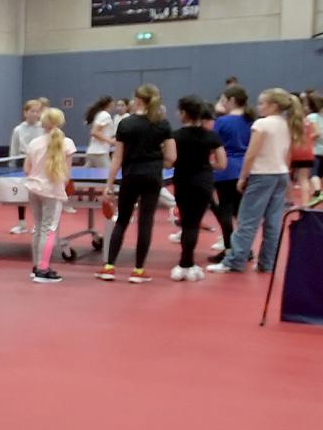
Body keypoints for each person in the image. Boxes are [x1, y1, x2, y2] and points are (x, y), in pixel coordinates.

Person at [214, 88, 301, 275]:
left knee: (248, 220)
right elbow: (287, 154)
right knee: (273, 221)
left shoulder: (262, 124)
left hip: (262, 174)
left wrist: (243, 176)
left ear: (273, 105)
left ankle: (235, 260)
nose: (258, 106)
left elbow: (251, 154)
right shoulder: (286, 124)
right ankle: (267, 262)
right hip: (280, 173)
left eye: (262, 103)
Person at [99, 85, 177, 284]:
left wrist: (109, 184)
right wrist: (157, 162)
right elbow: (172, 157)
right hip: (152, 177)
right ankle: (138, 270)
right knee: (146, 221)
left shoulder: (125, 124)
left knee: (122, 220)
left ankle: (109, 267)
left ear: (138, 100)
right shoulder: (163, 124)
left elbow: (117, 158)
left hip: (131, 176)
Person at [169, 99, 226, 282]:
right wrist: (206, 165)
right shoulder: (212, 136)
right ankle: (188, 263)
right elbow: (222, 164)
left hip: (183, 182)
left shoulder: (175, 135)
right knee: (194, 223)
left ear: (184, 113)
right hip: (203, 182)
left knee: (187, 223)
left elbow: (169, 160)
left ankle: (185, 263)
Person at [23, 108, 73, 283]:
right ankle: (43, 269)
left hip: (34, 188)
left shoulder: (34, 143)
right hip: (52, 191)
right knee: (49, 229)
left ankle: (37, 266)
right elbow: (66, 173)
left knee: (38, 228)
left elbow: (27, 168)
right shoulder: (67, 143)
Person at [208, 85, 252, 261]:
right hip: (245, 167)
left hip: (226, 168)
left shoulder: (222, 121)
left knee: (225, 209)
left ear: (232, 100)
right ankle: (244, 248)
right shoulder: (251, 120)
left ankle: (229, 248)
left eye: (224, 100)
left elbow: (213, 143)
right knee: (241, 212)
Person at [7, 100, 47, 235]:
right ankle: (22, 223)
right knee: (22, 194)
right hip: (22, 161)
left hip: (40, 162)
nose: (35, 114)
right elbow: (14, 149)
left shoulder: (44, 128)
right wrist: (11, 166)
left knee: (39, 194)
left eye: (37, 111)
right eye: (32, 111)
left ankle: (39, 223)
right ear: (25, 113)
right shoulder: (18, 129)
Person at [84, 96, 119, 173]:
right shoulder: (105, 115)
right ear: (110, 104)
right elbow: (94, 132)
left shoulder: (101, 114)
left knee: (86, 176)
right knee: (109, 175)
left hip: (94, 152)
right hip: (99, 153)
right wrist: (111, 141)